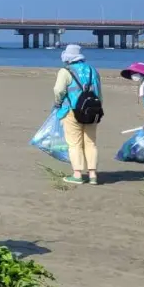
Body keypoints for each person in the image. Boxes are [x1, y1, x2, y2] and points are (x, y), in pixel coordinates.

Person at [53, 44, 103, 185]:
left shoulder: (65, 71)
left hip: (71, 110)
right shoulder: (93, 70)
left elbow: (58, 90)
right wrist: (98, 108)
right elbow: (99, 92)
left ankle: (77, 175)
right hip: (92, 110)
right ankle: (93, 175)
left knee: (74, 144)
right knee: (91, 143)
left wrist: (58, 103)